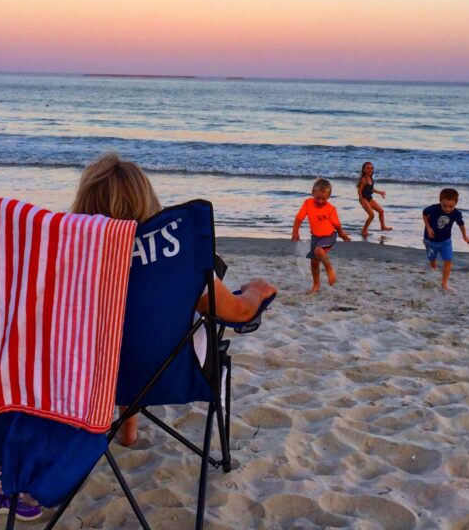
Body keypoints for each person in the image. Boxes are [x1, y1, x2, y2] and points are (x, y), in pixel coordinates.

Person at [72, 152, 277, 446]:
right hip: (171, 371)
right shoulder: (176, 260)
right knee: (165, 312)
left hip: (88, 379)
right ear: (146, 200)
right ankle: (128, 427)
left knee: (120, 327)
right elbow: (239, 312)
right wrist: (258, 290)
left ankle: (127, 432)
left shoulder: (71, 259)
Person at [291, 178, 352, 293]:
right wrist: (295, 232)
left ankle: (329, 269)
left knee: (319, 251)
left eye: (323, 199)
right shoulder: (308, 203)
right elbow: (299, 218)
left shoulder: (330, 209)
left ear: (329, 197)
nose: (320, 201)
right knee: (314, 262)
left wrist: (342, 234)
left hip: (329, 236)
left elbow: (337, 224)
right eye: (317, 198)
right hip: (316, 237)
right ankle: (316, 284)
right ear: (312, 193)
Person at [422, 187, 469, 291]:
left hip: (445, 241)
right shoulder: (434, 208)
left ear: (456, 203)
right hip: (430, 240)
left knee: (448, 260)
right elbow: (424, 214)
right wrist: (428, 227)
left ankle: (444, 283)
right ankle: (433, 267)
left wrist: (465, 236)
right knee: (431, 258)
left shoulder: (456, 213)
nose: (447, 209)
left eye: (451, 206)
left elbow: (461, 224)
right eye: (444, 206)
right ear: (440, 202)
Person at [356, 161, 393, 236]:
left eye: (372, 168)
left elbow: (371, 189)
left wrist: (380, 192)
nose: (370, 170)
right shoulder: (363, 179)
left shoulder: (370, 178)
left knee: (381, 211)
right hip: (364, 199)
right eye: (368, 168)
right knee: (372, 215)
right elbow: (359, 191)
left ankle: (383, 226)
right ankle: (364, 229)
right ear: (364, 170)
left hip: (369, 198)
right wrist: (361, 200)